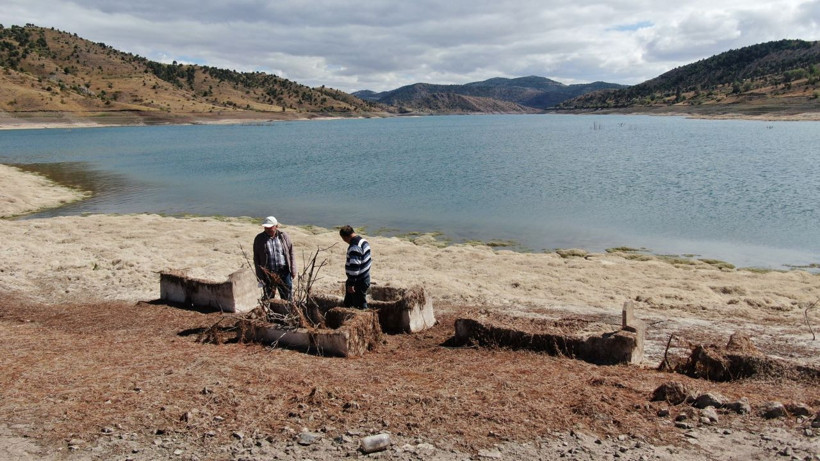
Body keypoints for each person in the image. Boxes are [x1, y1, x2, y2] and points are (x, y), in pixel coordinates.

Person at [252, 216, 296, 301]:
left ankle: (287, 312)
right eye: (266, 227)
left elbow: (291, 253)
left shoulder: (284, 236)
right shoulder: (259, 239)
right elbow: (256, 258)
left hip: (284, 272)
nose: (268, 229)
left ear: (276, 226)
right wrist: (259, 275)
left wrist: (293, 270)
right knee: (268, 297)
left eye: (270, 227)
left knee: (287, 297)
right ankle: (270, 313)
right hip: (268, 273)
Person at [339, 225, 371, 309]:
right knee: (349, 302)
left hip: (358, 280)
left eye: (344, 239)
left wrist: (351, 284)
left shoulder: (354, 247)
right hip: (365, 276)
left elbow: (355, 267)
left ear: (345, 237)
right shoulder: (363, 241)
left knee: (360, 305)